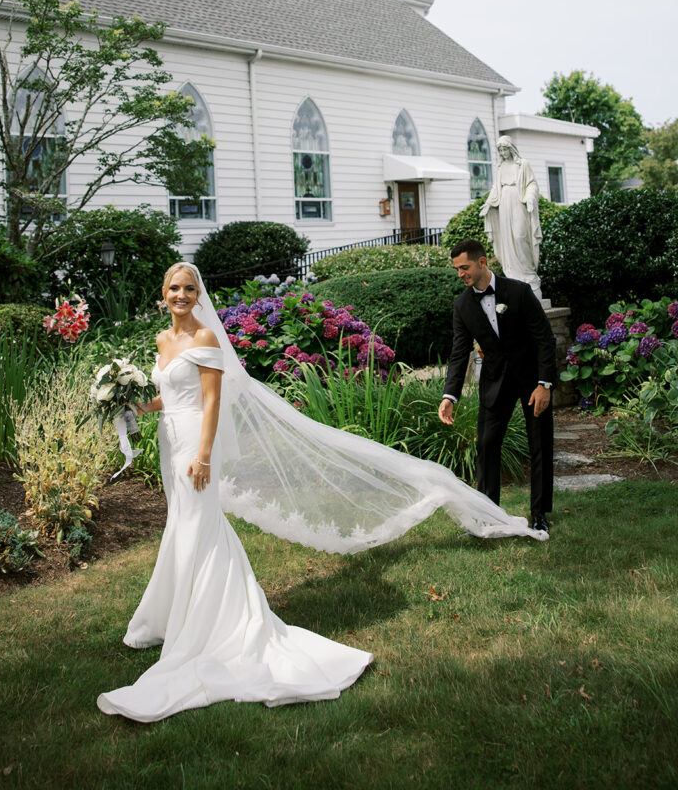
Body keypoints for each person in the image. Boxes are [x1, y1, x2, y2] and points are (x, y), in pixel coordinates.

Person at [99, 261, 548, 723]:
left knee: (199, 528)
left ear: (198, 294)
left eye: (189, 288)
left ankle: (210, 624)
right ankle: (176, 614)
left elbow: (212, 402)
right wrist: (129, 402)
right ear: (163, 292)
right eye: (174, 287)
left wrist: (205, 455)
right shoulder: (163, 341)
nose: (181, 294)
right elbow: (169, 398)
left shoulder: (205, 339)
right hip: (172, 443)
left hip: (196, 446)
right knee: (184, 527)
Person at [437, 239, 555, 534]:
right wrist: (449, 395)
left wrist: (544, 384)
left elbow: (545, 338)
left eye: (464, 267)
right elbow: (459, 352)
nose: (460, 274)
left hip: (531, 381)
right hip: (494, 382)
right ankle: (487, 514)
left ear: (482, 262)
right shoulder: (462, 305)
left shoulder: (519, 292)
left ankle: (540, 513)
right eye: (457, 269)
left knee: (539, 445)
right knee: (487, 446)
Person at [480, 135, 543, 299]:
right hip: (504, 205)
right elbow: (496, 188)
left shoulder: (523, 165)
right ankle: (514, 276)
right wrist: (488, 204)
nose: (502, 152)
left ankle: (528, 274)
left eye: (505, 149)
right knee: (508, 241)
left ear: (511, 148)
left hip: (518, 201)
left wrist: (530, 198)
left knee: (521, 236)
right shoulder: (500, 167)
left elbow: (532, 184)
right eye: (500, 150)